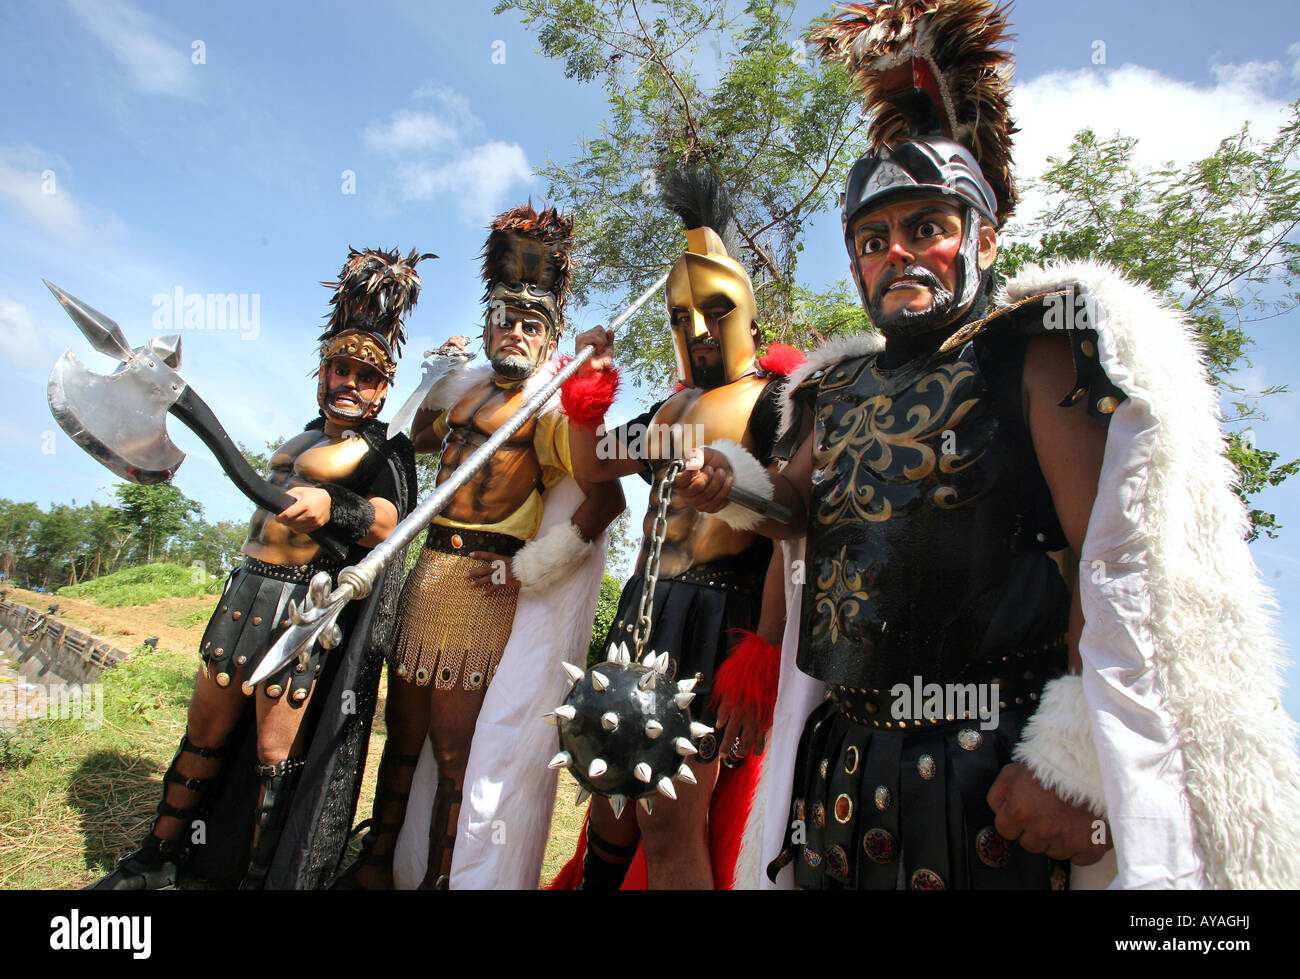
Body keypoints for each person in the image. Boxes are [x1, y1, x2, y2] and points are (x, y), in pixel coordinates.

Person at [679, 0, 1300, 890]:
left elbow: (1115, 560)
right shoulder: (836, 387)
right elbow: (795, 507)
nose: (900, 254)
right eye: (873, 239)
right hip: (841, 776)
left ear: (984, 235)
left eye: (925, 226)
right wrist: (729, 484)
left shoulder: (1033, 353)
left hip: (987, 780)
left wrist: (1073, 758)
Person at [92, 247, 425, 889]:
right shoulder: (299, 437)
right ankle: (158, 859)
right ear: (321, 372)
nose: (349, 382)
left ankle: (258, 881)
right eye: (339, 368)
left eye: (365, 374)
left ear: (382, 389)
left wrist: (336, 505)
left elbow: (390, 521)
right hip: (244, 591)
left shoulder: (388, 450)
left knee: (275, 759)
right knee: (202, 741)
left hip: (302, 610)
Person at [334, 204, 623, 890]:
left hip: (481, 592)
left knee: (457, 752)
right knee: (398, 741)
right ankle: (378, 866)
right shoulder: (463, 396)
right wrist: (439, 370)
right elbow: (410, 440)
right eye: (506, 319)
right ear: (489, 321)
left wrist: (531, 567)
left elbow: (602, 494)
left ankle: (445, 877)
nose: (515, 332)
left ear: (548, 338)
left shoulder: (549, 411)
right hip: (425, 574)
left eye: (532, 324)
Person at [549, 170, 804, 890]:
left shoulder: (781, 401)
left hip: (719, 624)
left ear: (752, 317)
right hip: (644, 611)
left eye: (716, 309)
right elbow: (594, 467)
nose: (695, 329)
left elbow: (791, 523)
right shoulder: (667, 411)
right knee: (608, 808)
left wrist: (765, 650)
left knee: (669, 827)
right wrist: (588, 389)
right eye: (680, 316)